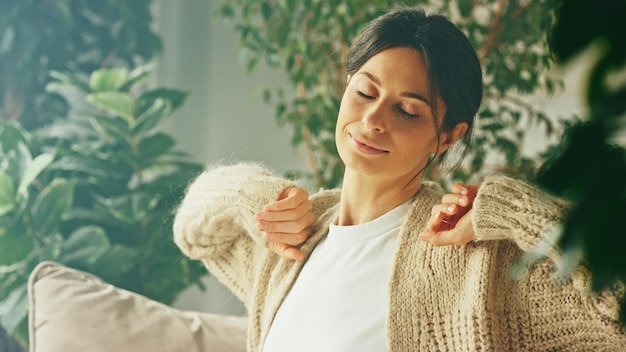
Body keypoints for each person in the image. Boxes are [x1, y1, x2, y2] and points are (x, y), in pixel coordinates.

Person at [173, 6, 626, 351]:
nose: (372, 119)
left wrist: (510, 210)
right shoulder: (291, 243)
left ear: (447, 136)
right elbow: (193, 230)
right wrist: (257, 199)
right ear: (346, 85)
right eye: (365, 92)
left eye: (407, 111)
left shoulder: (475, 260)